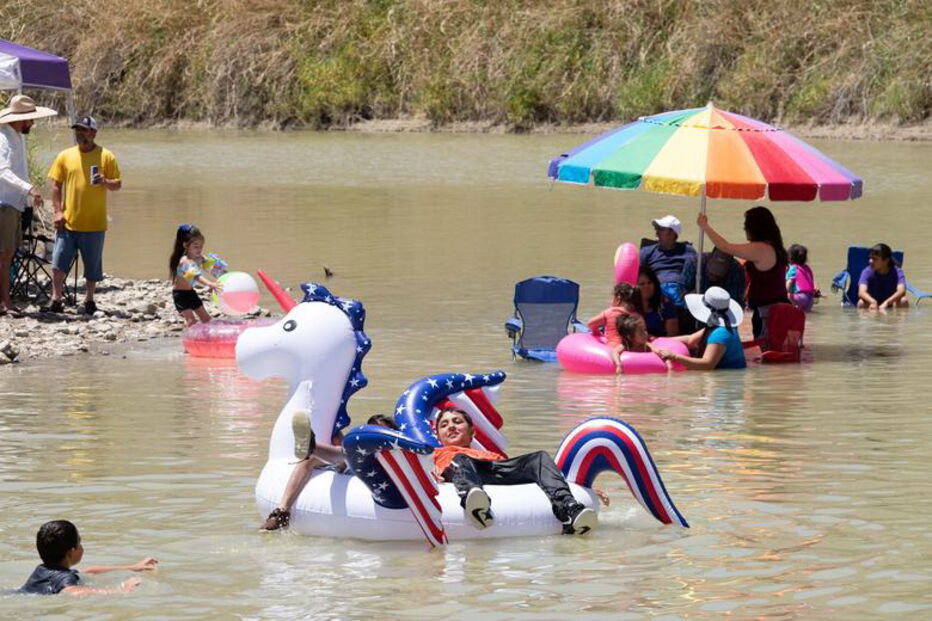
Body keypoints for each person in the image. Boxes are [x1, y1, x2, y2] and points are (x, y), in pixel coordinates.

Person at [433, 407, 597, 535]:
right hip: (459, 473)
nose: (451, 427)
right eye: (444, 425)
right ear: (439, 437)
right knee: (461, 459)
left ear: (472, 432)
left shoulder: (491, 455)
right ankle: (475, 503)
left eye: (457, 422)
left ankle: (569, 508)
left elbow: (539, 474)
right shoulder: (433, 455)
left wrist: (580, 488)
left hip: (489, 470)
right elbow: (421, 474)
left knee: (539, 458)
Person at [260, 412, 398, 531]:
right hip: (351, 464)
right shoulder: (363, 447)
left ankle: (312, 446)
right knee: (311, 460)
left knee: (345, 455)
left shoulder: (397, 452)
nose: (378, 435)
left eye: (383, 430)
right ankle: (281, 512)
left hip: (367, 471)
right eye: (374, 430)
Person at [43, 115, 122, 315]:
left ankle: (89, 300)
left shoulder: (106, 156)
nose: (80, 134)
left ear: (93, 133)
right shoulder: (65, 155)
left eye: (84, 130)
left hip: (95, 223)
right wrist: (58, 212)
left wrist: (105, 181)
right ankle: (56, 299)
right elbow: (55, 186)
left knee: (92, 267)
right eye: (77, 130)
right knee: (58, 262)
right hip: (67, 221)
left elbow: (117, 184)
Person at [0, 95, 56, 315]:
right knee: (5, 254)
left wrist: (27, 192)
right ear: (21, 119)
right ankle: (5, 302)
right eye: (30, 119)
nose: (32, 123)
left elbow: (17, 170)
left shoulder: (16, 137)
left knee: (9, 253)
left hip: (14, 204)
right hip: (4, 203)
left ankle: (5, 300)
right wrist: (29, 188)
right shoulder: (4, 138)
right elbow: (2, 171)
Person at [697, 206, 788, 338]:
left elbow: (725, 247)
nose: (744, 228)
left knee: (768, 348)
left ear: (755, 227)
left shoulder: (762, 249)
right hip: (778, 310)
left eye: (746, 225)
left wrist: (705, 226)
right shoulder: (774, 246)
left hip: (769, 315)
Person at [18, 520, 157, 596]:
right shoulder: (65, 578)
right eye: (79, 543)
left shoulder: (43, 570)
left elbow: (88, 571)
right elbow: (73, 591)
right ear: (71, 552)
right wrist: (121, 590)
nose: (81, 547)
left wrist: (134, 567)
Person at [654, 287, 747, 371]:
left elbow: (707, 364)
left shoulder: (720, 333)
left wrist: (674, 356)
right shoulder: (719, 327)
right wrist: (657, 339)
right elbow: (691, 340)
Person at [169, 224, 224, 326]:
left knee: (207, 319)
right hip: (180, 295)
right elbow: (196, 276)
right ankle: (187, 333)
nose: (199, 249)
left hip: (191, 293)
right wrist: (210, 284)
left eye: (201, 246)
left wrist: (223, 274)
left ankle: (205, 334)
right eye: (196, 247)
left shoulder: (199, 258)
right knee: (191, 321)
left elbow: (211, 268)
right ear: (186, 246)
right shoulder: (185, 261)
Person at [639, 215, 697, 306]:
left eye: (660, 229)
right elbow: (638, 275)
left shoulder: (688, 251)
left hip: (682, 291)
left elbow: (698, 274)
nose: (657, 233)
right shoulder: (647, 252)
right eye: (656, 229)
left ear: (673, 233)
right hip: (656, 291)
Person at [586, 282, 641, 348]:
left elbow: (590, 323)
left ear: (618, 299)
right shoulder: (637, 316)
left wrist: (597, 333)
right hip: (631, 350)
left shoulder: (611, 312)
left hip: (612, 348)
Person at [858, 243, 908, 310]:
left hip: (890, 302)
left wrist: (887, 303)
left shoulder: (897, 272)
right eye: (870, 258)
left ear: (886, 260)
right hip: (872, 303)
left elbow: (901, 291)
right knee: (861, 303)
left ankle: (896, 317)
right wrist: (873, 302)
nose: (870, 261)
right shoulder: (867, 272)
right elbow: (861, 292)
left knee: (903, 301)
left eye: (874, 259)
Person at [637, 266, 679, 337]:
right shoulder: (630, 307)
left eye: (650, 283)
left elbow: (672, 335)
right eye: (642, 284)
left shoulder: (665, 305)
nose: (647, 287)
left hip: (663, 342)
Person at [785, 244, 820, 312]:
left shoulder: (793, 268)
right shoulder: (807, 268)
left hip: (798, 298)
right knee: (806, 316)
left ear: (790, 257)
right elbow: (812, 283)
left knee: (787, 296)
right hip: (810, 299)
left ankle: (795, 306)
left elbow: (789, 283)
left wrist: (787, 291)